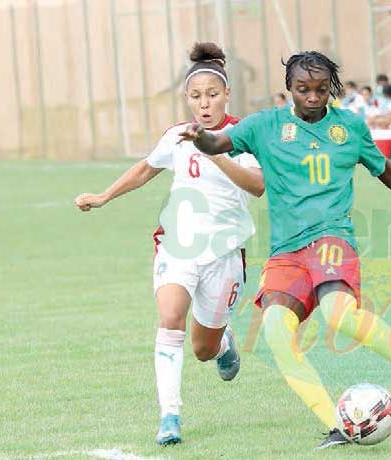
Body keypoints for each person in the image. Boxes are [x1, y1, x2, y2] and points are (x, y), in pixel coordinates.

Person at [177, 51, 391, 449]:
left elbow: (388, 172)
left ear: (331, 89)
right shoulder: (265, 125)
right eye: (302, 89)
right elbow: (217, 141)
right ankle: (339, 425)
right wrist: (200, 138)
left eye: (321, 89)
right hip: (286, 251)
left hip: (331, 237)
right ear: (288, 89)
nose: (312, 97)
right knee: (276, 333)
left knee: (339, 316)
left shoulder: (349, 127)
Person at [72, 43, 265, 446]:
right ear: (187, 99)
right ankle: (170, 416)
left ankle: (223, 338)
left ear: (226, 94)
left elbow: (258, 186)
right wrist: (104, 196)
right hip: (177, 245)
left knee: (202, 349)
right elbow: (145, 169)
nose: (204, 103)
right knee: (170, 318)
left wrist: (214, 152)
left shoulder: (243, 135)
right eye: (196, 96)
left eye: (212, 95)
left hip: (225, 254)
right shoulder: (177, 135)